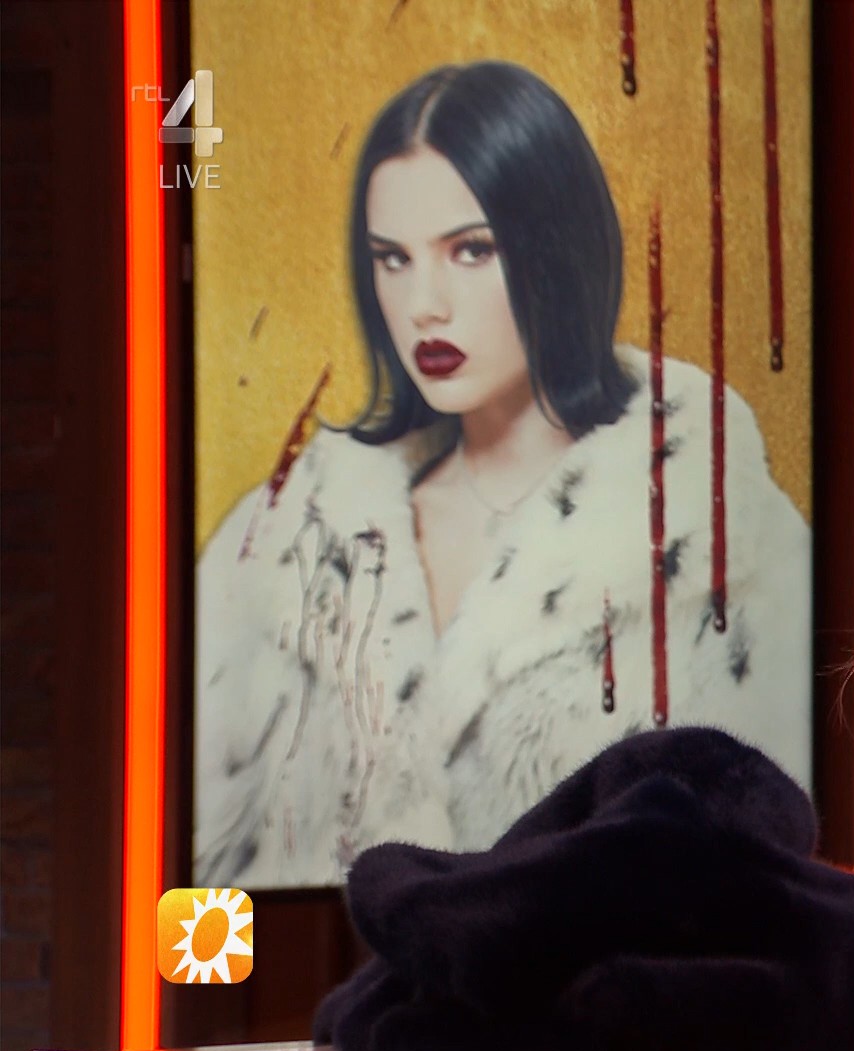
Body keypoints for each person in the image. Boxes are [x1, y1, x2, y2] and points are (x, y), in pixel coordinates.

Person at [195, 61, 810, 889]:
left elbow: (773, 877)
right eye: (392, 259)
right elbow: (209, 880)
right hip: (333, 973)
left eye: (471, 250)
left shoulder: (719, 538)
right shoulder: (293, 545)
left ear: (557, 251)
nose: (424, 304)